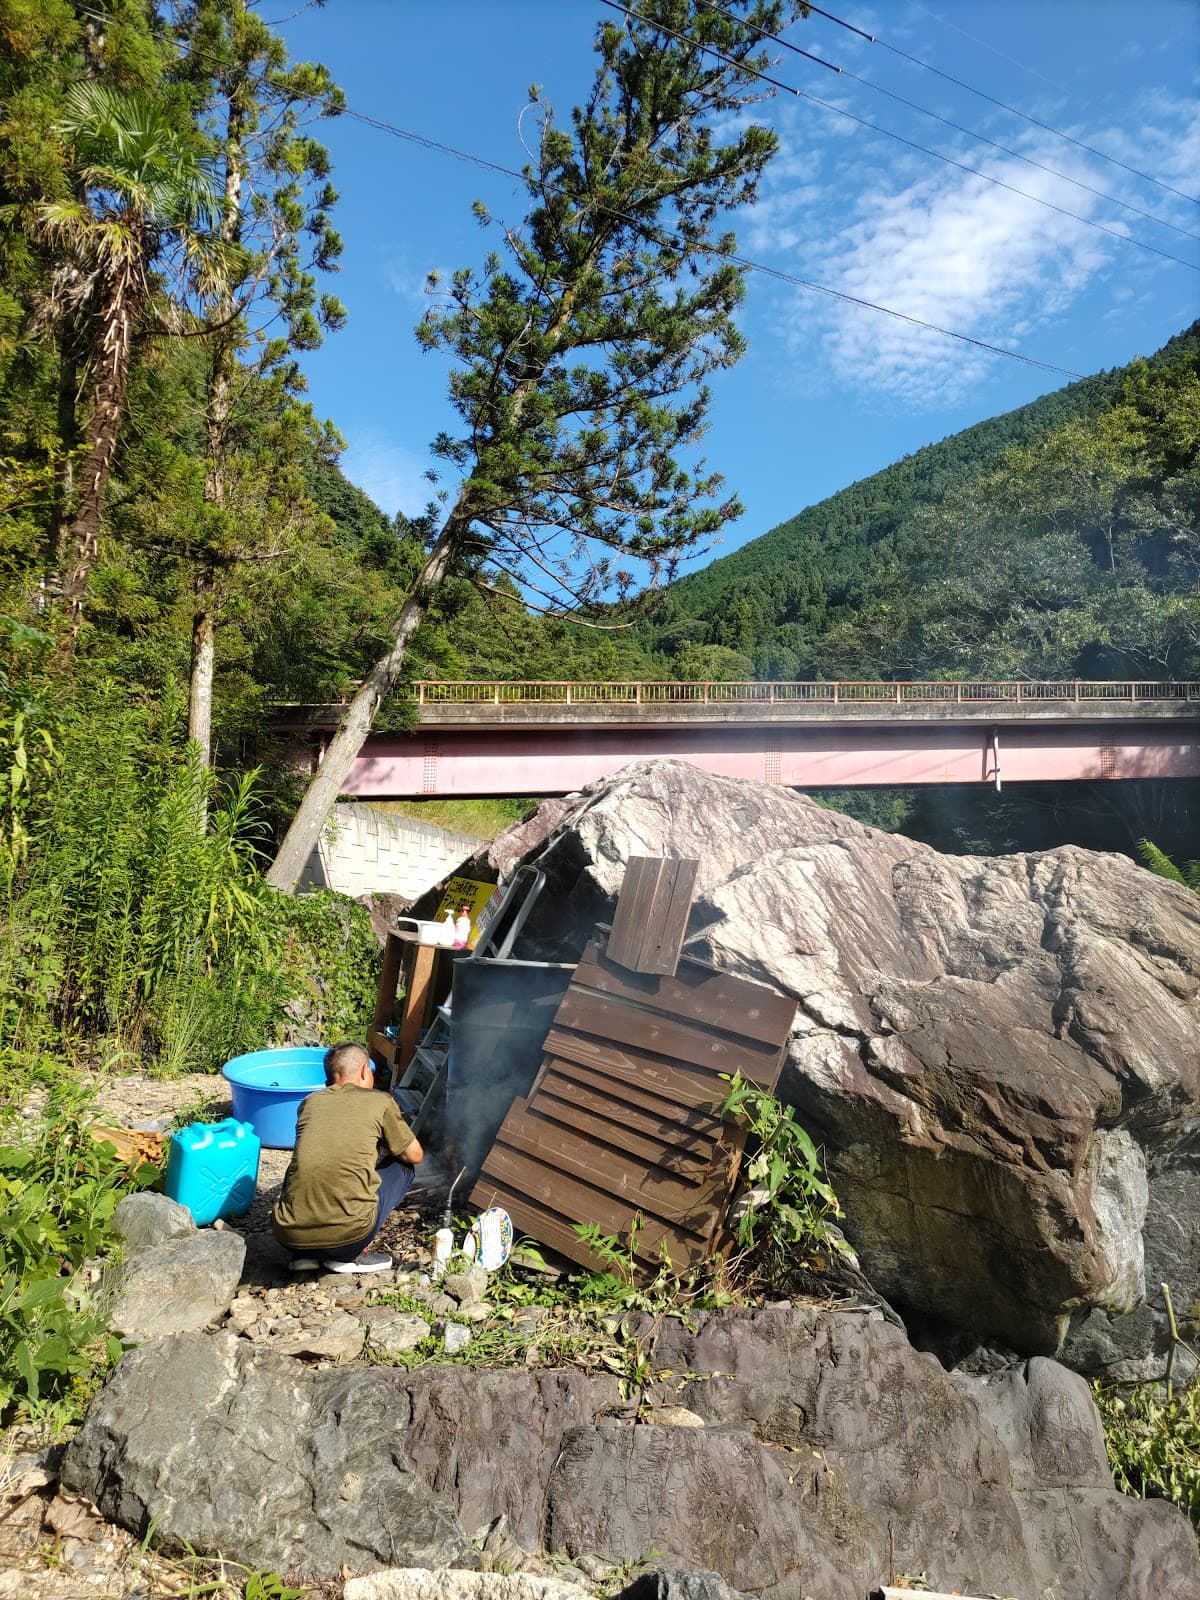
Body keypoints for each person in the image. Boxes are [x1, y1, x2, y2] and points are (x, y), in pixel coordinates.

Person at [272, 1040, 423, 1274]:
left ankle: (304, 1256)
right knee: (404, 1167)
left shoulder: (310, 1102)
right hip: (348, 1240)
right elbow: (415, 1154)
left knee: (301, 1162)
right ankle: (349, 1257)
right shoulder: (380, 1101)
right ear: (364, 1071)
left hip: (289, 1236)